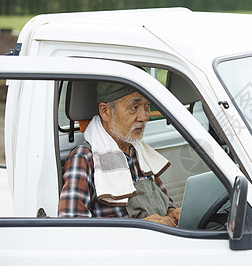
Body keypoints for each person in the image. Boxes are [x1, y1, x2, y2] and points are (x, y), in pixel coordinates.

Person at [58, 82, 180, 226]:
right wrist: (139, 228)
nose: (144, 117)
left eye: (147, 106)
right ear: (105, 111)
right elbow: (72, 226)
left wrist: (173, 211)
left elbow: (164, 201)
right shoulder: (84, 158)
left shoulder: (139, 151)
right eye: (134, 108)